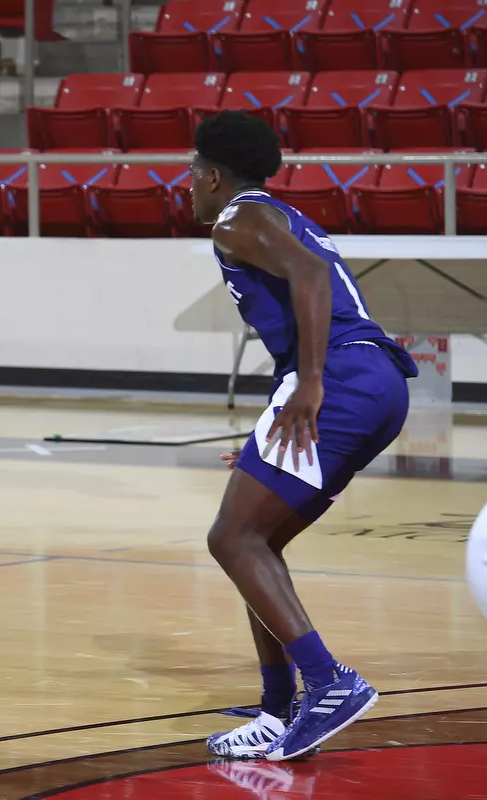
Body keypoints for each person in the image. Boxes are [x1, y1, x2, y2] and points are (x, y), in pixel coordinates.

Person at [191, 111, 418, 761]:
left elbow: (312, 280)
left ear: (211, 176)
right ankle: (278, 705)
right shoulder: (275, 214)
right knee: (256, 538)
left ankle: (327, 683)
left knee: (232, 537)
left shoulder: (239, 217)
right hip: (371, 380)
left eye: (190, 176)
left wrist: (313, 387)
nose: (187, 189)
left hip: (343, 376)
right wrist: (277, 420)